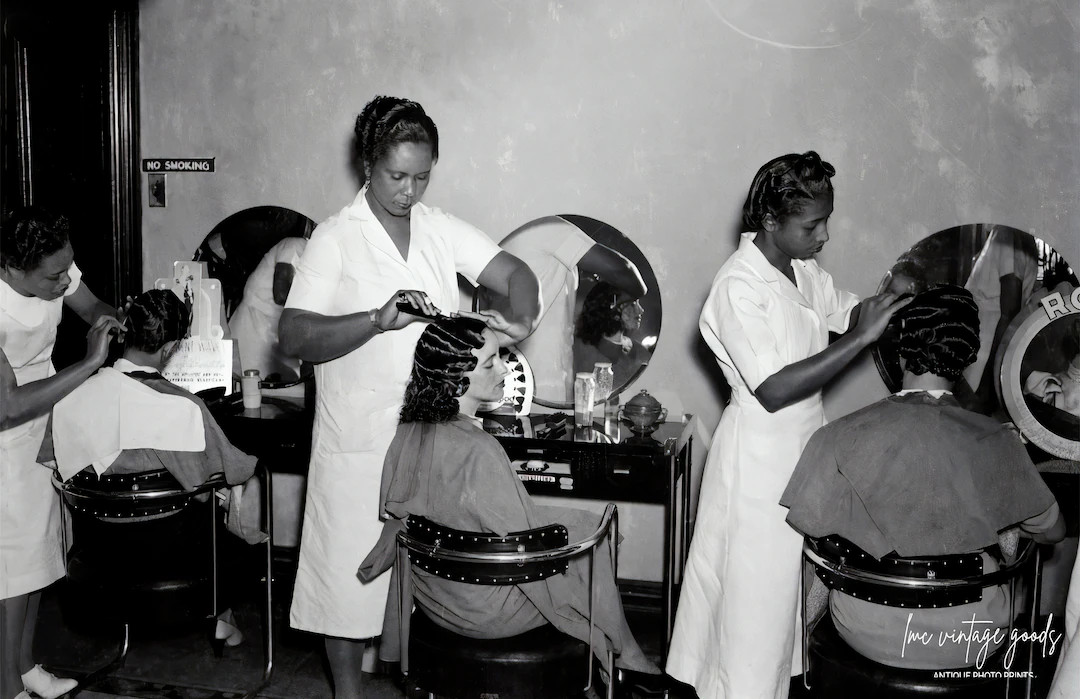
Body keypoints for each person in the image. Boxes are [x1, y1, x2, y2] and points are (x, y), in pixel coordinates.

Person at [278, 95, 540, 698]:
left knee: (427, 581)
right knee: (347, 590)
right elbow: (295, 334)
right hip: (359, 442)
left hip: (428, 439)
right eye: (397, 175)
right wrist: (376, 318)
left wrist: (517, 318)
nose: (409, 190)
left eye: (422, 176)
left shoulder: (439, 229)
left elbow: (515, 275)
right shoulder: (336, 239)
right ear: (368, 165)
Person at [665, 151, 908, 699]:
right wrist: (859, 339)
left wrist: (890, 304)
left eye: (827, 220)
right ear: (770, 221)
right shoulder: (738, 287)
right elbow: (773, 388)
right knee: (751, 608)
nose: (824, 235)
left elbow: (845, 309)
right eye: (812, 224)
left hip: (801, 454)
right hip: (756, 462)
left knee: (780, 604)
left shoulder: (800, 270)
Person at [781, 285, 1064, 669]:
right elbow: (1053, 531)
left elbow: (812, 541)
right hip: (970, 633)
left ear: (898, 350)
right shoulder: (998, 440)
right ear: (969, 357)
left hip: (865, 628)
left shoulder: (836, 436)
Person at [358, 316, 658, 678]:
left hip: (438, 599)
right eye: (490, 363)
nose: (504, 368)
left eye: (500, 356)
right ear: (455, 382)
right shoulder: (478, 449)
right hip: (487, 610)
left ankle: (628, 656)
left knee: (582, 523)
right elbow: (526, 547)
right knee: (595, 539)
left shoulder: (409, 432)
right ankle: (628, 659)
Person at [37, 288, 264, 649]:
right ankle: (222, 613)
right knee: (235, 492)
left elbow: (55, 466)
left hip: (99, 555)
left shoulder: (70, 399)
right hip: (174, 557)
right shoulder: (183, 408)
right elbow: (233, 471)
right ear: (169, 349)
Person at [0, 207, 123, 699]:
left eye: (68, 268)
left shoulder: (58, 268)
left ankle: (26, 667)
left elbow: (93, 307)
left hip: (44, 421)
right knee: (10, 575)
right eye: (54, 276)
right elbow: (8, 407)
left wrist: (109, 320)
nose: (65, 281)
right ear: (11, 268)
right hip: (7, 434)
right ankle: (7, 687)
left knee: (39, 558)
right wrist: (92, 361)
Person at [489, 215, 647, 400]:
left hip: (522, 372)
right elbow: (627, 275)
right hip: (540, 374)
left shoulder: (519, 233)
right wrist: (619, 300)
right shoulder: (552, 227)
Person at [962, 226, 1038, 413]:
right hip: (982, 349)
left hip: (983, 353)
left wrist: (988, 382)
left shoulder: (1006, 232)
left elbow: (1009, 310)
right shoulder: (1021, 237)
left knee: (968, 417)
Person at [229, 236, 308, 381]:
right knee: (249, 385)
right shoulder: (295, 245)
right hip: (255, 322)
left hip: (274, 326)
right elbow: (281, 293)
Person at [573, 281, 650, 388]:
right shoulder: (585, 352)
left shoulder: (641, 352)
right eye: (632, 304)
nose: (641, 310)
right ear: (611, 309)